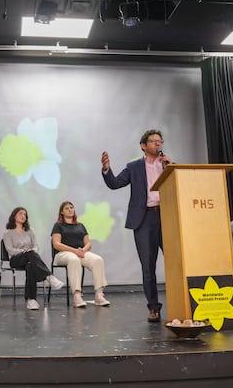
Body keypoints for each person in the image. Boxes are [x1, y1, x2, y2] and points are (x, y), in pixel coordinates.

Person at [100, 129, 172, 322]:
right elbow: (115, 184)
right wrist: (107, 169)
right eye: (154, 141)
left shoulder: (169, 165)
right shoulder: (134, 167)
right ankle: (154, 308)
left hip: (168, 217)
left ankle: (180, 302)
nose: (158, 144)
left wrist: (173, 168)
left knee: (176, 263)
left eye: (160, 141)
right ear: (143, 145)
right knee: (148, 267)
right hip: (144, 220)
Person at [51, 201, 110, 308]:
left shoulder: (80, 225)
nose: (70, 210)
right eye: (67, 208)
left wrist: (83, 250)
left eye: (71, 207)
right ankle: (77, 295)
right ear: (62, 212)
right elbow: (56, 244)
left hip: (80, 253)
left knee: (97, 260)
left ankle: (99, 294)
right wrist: (75, 251)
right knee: (74, 259)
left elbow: (88, 244)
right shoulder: (58, 225)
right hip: (63, 254)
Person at [3, 207, 64, 310]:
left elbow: (35, 246)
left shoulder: (30, 231)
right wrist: (23, 251)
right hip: (16, 259)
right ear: (14, 216)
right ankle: (48, 276)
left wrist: (31, 251)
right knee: (30, 254)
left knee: (31, 265)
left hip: (30, 258)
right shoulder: (8, 234)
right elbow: (10, 250)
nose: (23, 216)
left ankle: (31, 300)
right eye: (21, 214)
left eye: (25, 214)